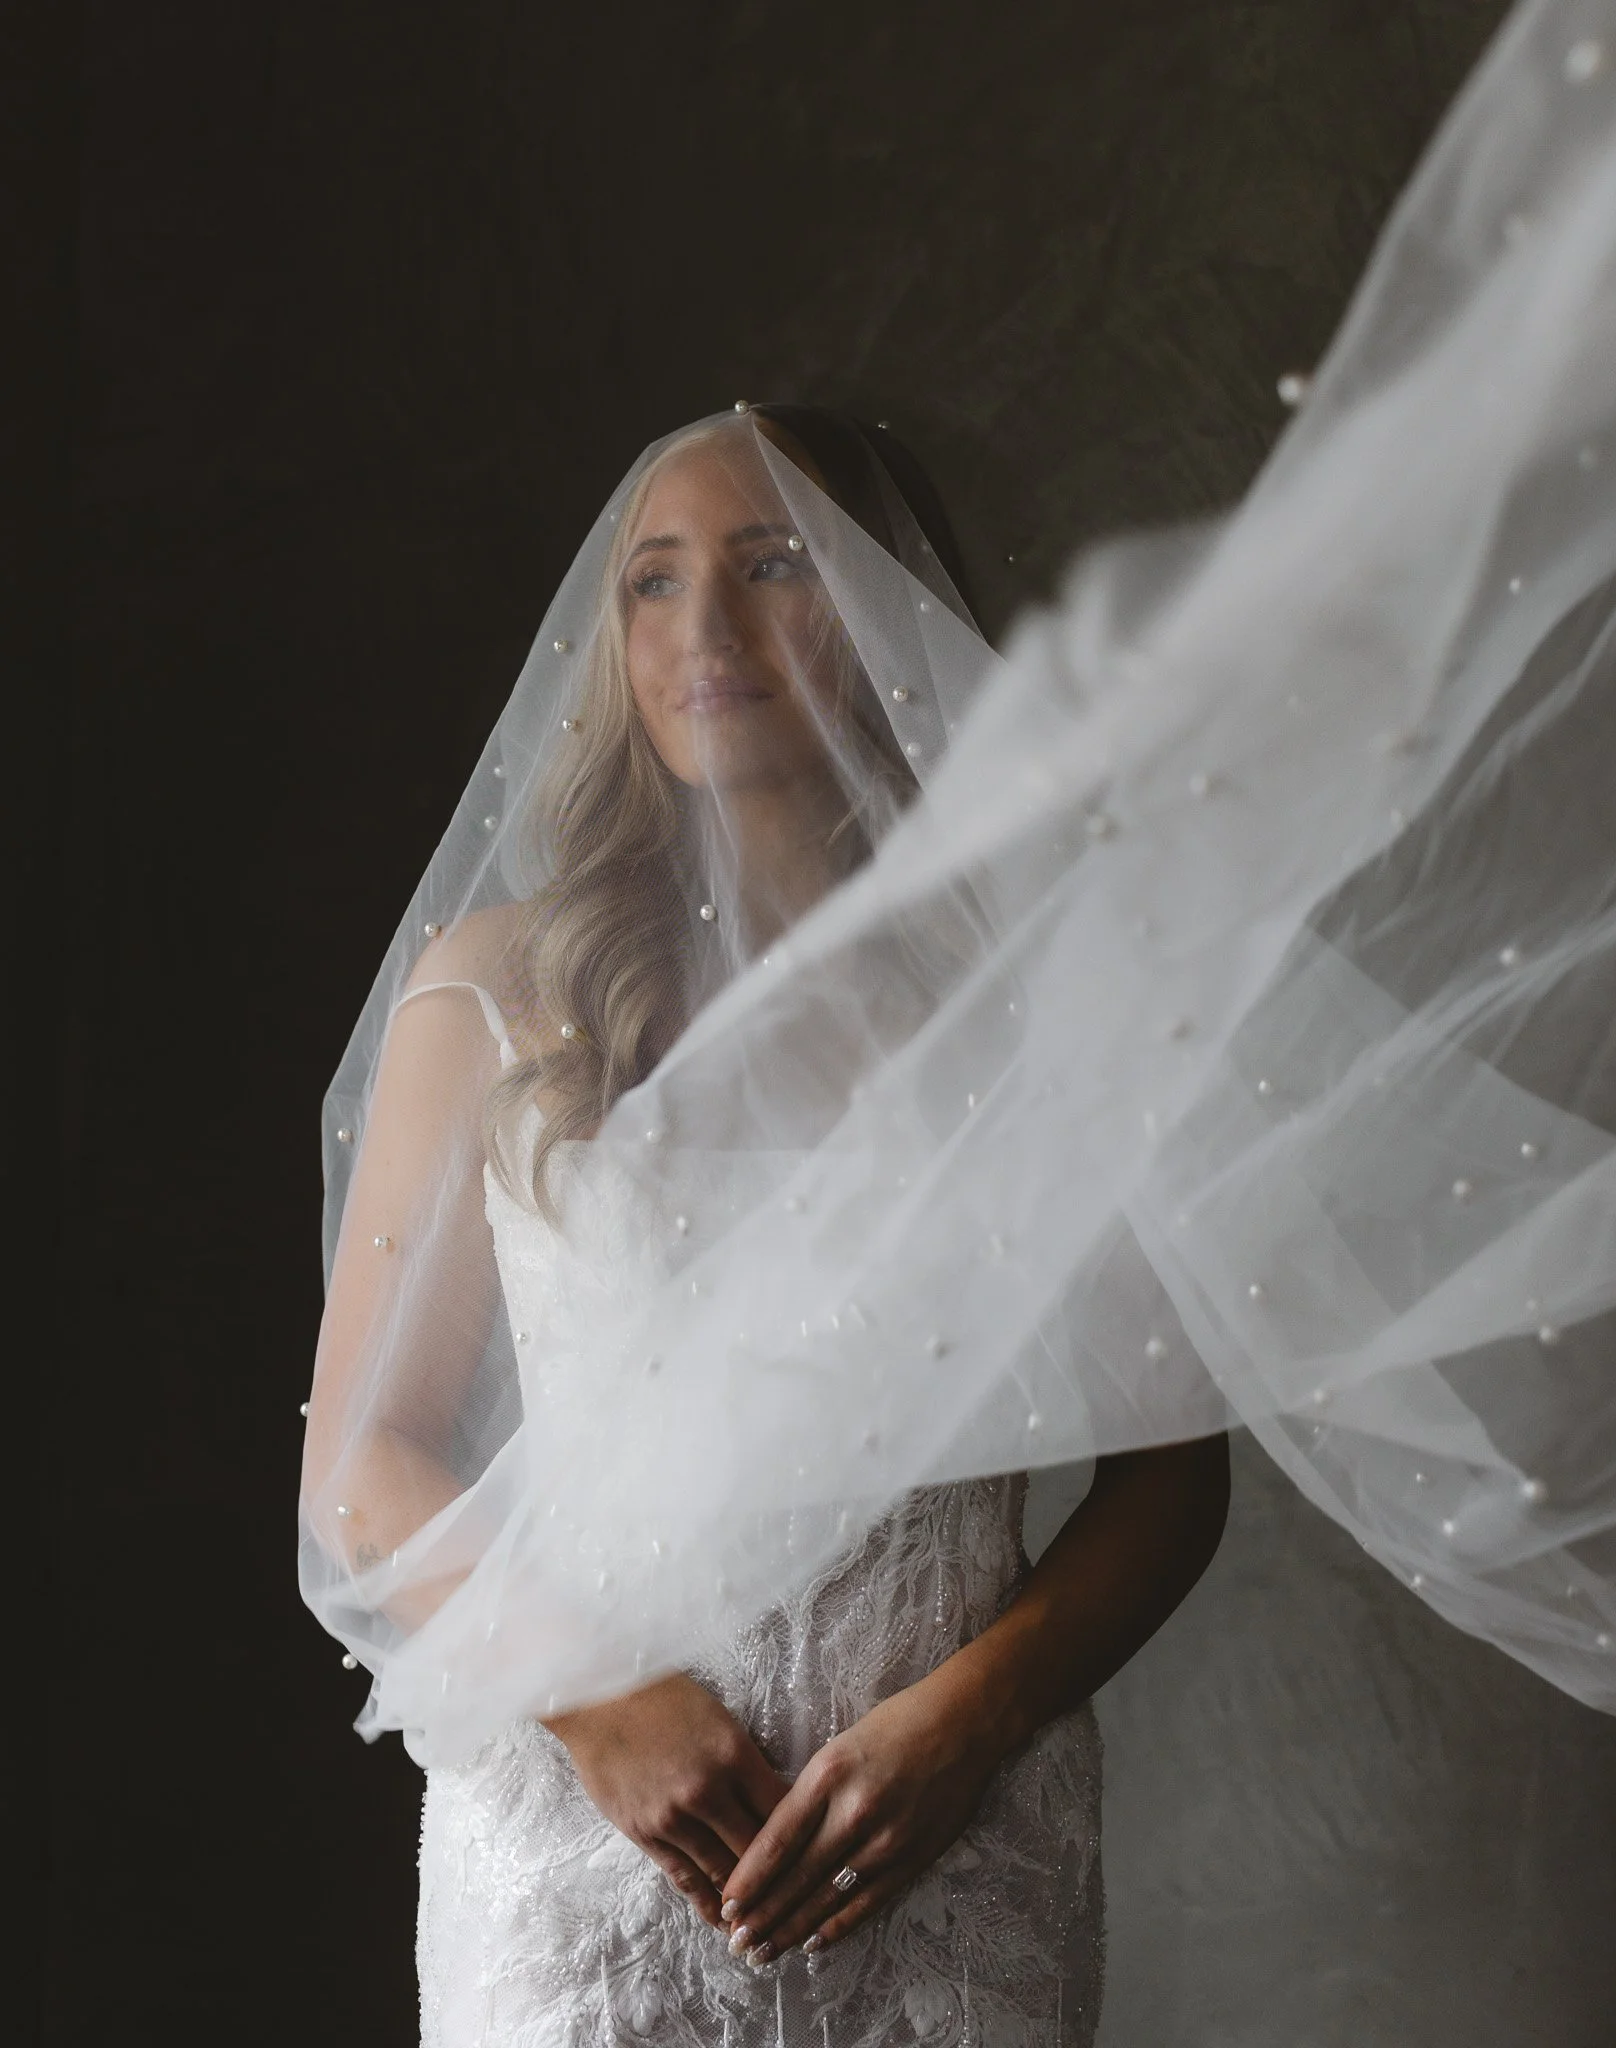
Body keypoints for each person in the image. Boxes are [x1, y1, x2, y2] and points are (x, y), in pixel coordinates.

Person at [306, 407, 1231, 2046]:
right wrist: (597, 1706)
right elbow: (367, 1461)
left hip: (945, 1853)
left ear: (883, 609)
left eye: (772, 566)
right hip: (585, 1852)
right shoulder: (499, 987)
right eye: (652, 584)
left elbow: (1173, 1469)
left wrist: (966, 1721)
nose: (703, 630)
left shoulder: (1030, 997)